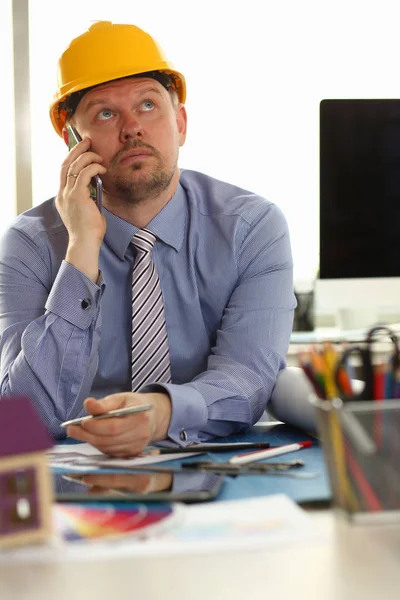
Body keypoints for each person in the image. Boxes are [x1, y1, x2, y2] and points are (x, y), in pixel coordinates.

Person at [0, 21, 296, 457]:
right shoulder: (28, 244)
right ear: (72, 141)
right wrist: (81, 249)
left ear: (180, 122)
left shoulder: (251, 228)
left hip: (212, 471)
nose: (132, 128)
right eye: (105, 113)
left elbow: (249, 379)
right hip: (75, 488)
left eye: (148, 105)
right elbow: (23, 418)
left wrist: (162, 412)